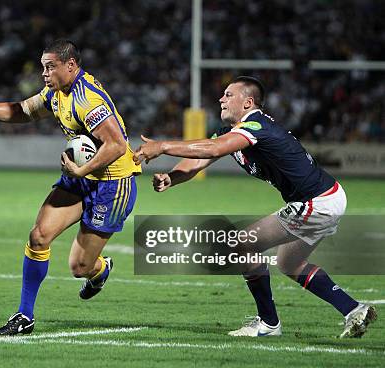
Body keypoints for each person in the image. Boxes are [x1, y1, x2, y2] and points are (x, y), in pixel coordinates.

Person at [133, 76, 377, 338]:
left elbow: (213, 148)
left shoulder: (256, 125)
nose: (221, 99)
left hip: (316, 201)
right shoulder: (234, 131)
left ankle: (268, 323)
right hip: (324, 197)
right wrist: (172, 177)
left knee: (243, 243)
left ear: (248, 102)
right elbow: (199, 160)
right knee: (289, 263)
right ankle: (353, 309)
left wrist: (162, 146)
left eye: (228, 95)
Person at [0, 39, 141, 335]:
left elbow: (117, 145)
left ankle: (100, 269)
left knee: (79, 268)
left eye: (49, 67)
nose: (44, 73)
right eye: (43, 67)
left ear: (70, 66)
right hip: (80, 176)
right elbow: (22, 111)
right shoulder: (56, 93)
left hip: (112, 184)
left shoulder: (87, 99)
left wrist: (81, 168)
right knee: (39, 236)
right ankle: (24, 316)